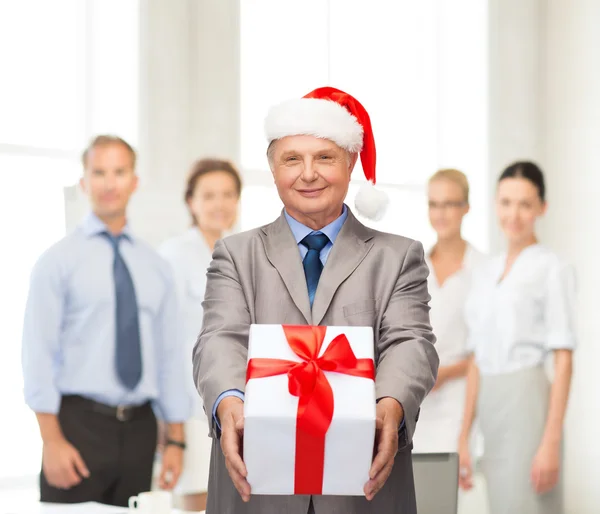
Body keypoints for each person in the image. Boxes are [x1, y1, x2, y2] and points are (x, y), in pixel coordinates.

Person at [193, 86, 439, 514]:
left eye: (324, 157)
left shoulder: (398, 256)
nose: (308, 174)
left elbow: (410, 342)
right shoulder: (236, 254)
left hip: (362, 487)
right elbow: (219, 338)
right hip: (256, 485)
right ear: (273, 170)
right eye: (292, 159)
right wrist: (228, 400)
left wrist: (391, 403)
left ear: (349, 164)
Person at [21, 135, 190, 507]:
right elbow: (38, 355)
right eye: (99, 172)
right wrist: (51, 441)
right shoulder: (57, 262)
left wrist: (176, 440)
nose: (110, 183)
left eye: (119, 172)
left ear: (135, 181)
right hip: (78, 428)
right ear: (84, 182)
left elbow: (169, 357)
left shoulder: (155, 267)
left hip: (142, 431)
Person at [457, 162, 576, 514]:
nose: (514, 214)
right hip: (491, 407)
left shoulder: (552, 268)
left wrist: (551, 441)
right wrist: (465, 435)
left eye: (525, 204)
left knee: (530, 505)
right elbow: (476, 357)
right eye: (506, 202)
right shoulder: (485, 272)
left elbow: (564, 357)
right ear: (495, 204)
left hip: (529, 405)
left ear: (542, 207)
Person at [159, 158, 242, 512]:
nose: (219, 203)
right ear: (191, 202)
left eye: (227, 194)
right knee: (197, 503)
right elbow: (166, 344)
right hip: (192, 410)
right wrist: (171, 426)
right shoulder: (173, 256)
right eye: (208, 195)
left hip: (238, 408)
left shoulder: (245, 251)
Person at [412, 169, 485, 454]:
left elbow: (485, 351)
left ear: (466, 208)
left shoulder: (483, 270)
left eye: (450, 204)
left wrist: (444, 373)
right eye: (434, 204)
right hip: (416, 401)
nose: (440, 213)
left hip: (459, 402)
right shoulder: (413, 265)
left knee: (446, 491)